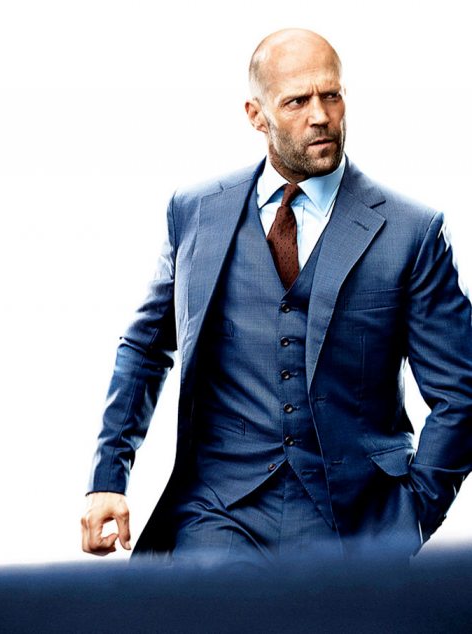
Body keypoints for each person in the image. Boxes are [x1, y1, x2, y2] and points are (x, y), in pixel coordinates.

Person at [80, 28, 472, 563]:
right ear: (256, 114)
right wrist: (108, 476)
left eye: (331, 95)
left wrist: (411, 518)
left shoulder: (412, 231)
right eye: (296, 102)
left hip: (353, 523)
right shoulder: (196, 212)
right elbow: (146, 349)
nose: (320, 116)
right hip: (217, 513)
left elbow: (460, 395)